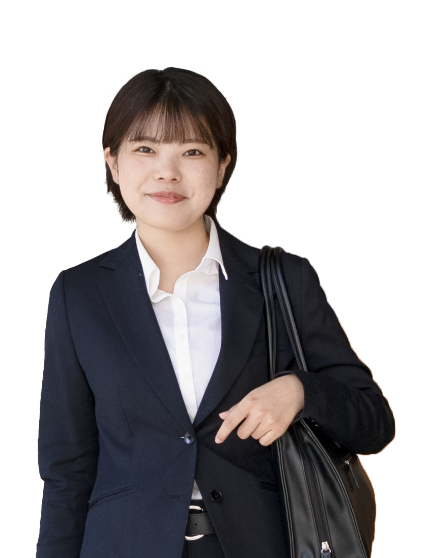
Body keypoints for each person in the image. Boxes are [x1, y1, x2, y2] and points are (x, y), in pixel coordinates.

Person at [36, 67, 395, 558]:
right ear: (112, 162)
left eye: (192, 151)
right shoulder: (78, 293)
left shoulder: (282, 279)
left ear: (223, 165)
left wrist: (299, 391)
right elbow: (67, 470)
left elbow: (374, 423)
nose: (167, 172)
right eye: (145, 149)